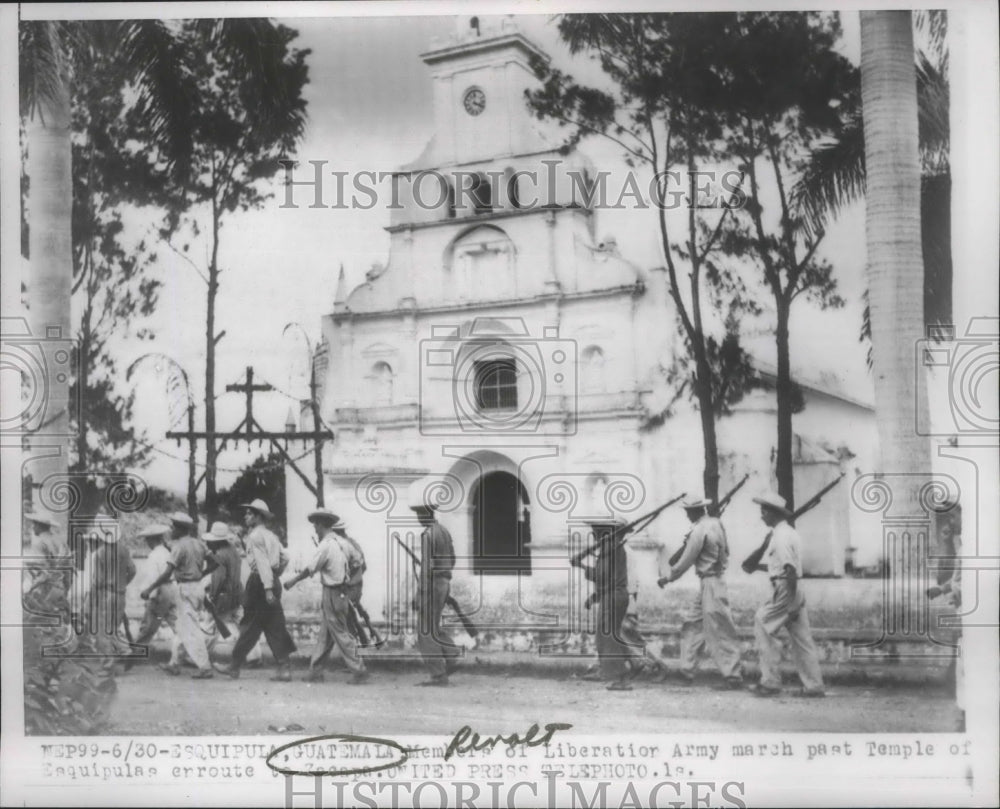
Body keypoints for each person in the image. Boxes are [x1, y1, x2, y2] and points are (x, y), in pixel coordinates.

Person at [658, 497, 743, 689]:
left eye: (689, 511)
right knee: (692, 625)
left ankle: (733, 676)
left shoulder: (699, 530)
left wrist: (668, 578)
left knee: (720, 629)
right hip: (711, 581)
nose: (687, 514)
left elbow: (686, 560)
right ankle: (686, 671)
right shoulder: (717, 523)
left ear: (696, 511)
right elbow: (726, 551)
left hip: (711, 581)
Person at [747, 491, 825, 697]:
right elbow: (784, 568)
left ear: (773, 513)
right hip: (792, 587)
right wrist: (761, 568)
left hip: (785, 589)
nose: (761, 516)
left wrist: (789, 603)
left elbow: (789, 570)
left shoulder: (780, 536)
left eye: (764, 511)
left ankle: (770, 681)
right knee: (802, 639)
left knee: (762, 623)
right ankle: (814, 685)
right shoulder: (788, 533)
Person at [285, 508, 369, 684]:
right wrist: (348, 579)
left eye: (316, 524)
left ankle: (359, 669)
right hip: (341, 592)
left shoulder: (325, 545)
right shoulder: (343, 542)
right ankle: (315, 671)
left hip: (332, 593)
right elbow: (358, 561)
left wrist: (292, 581)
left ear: (322, 524)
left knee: (341, 634)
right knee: (325, 635)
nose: (314, 528)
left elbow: (310, 569)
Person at [219, 499, 296, 681]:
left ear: (258, 516)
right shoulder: (271, 535)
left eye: (249, 514)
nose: (246, 516)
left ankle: (234, 666)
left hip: (261, 584)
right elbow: (285, 557)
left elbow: (261, 563)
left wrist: (267, 588)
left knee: (250, 625)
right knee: (274, 625)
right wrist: (275, 575)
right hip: (271, 581)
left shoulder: (254, 536)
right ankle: (284, 668)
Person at [140, 512, 215, 679]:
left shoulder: (179, 546)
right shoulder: (198, 544)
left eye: (174, 527)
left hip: (185, 588)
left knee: (190, 629)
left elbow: (167, 573)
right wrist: (201, 574)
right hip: (197, 588)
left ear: (180, 528)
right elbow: (214, 562)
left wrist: (150, 588)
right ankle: (174, 663)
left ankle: (204, 666)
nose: (172, 530)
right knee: (182, 626)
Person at [574, 518, 635, 691]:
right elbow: (608, 578)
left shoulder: (610, 547)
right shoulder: (613, 546)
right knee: (613, 634)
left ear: (603, 532)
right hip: (615, 595)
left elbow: (601, 576)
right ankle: (635, 664)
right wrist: (595, 596)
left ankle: (621, 679)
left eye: (596, 531)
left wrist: (581, 566)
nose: (594, 534)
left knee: (606, 637)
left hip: (613, 596)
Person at [410, 494, 459, 686]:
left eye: (419, 515)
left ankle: (438, 675)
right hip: (443, 582)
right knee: (433, 625)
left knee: (425, 630)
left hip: (431, 585)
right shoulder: (444, 531)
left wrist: (419, 595)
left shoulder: (428, 534)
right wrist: (444, 574)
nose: (418, 519)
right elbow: (453, 558)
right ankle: (452, 656)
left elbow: (425, 570)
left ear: (424, 515)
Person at [202, 521, 262, 668]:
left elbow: (219, 578)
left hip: (224, 597)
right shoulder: (234, 551)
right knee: (243, 625)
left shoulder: (220, 556)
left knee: (209, 626)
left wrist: (213, 597)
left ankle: (198, 656)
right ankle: (254, 656)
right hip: (237, 594)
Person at [128, 524, 179, 670]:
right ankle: (183, 655)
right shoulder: (167, 552)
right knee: (176, 624)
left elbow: (153, 578)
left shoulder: (154, 555)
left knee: (148, 626)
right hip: (172, 589)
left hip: (159, 591)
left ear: (152, 540)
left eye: (147, 540)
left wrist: (150, 595)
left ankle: (135, 654)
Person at [87, 518, 137, 660]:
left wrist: (92, 598)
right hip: (121, 594)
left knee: (104, 630)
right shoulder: (124, 550)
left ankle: (110, 662)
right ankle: (124, 650)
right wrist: (123, 584)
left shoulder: (100, 553)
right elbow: (133, 570)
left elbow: (98, 580)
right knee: (114, 626)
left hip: (107, 594)